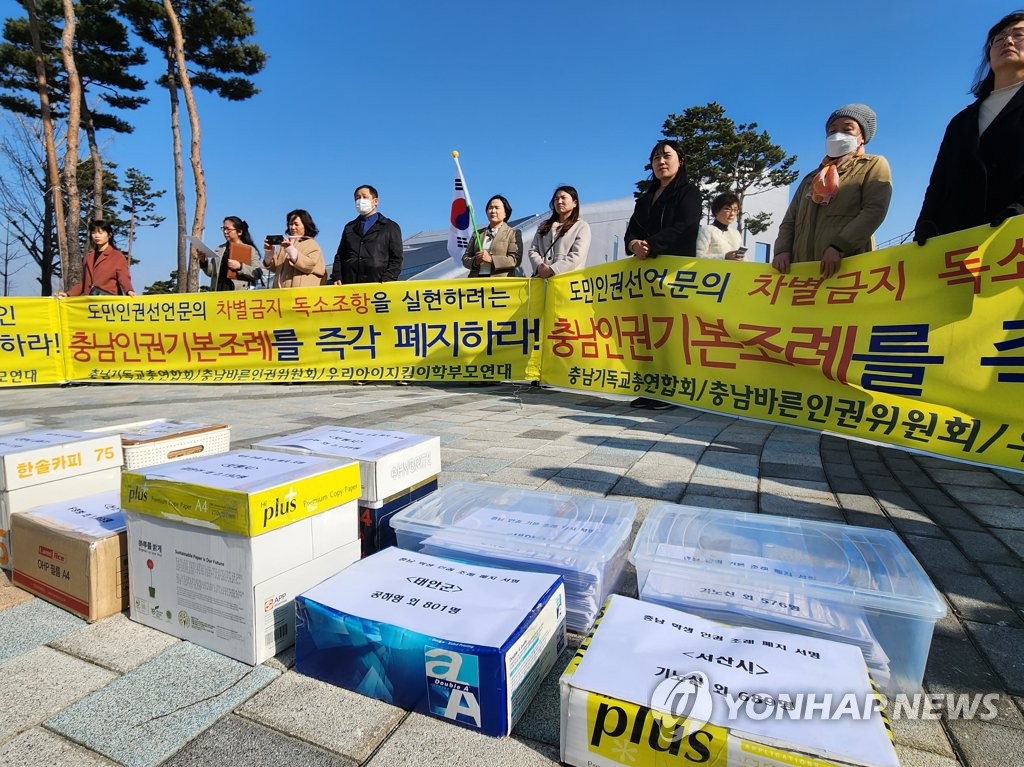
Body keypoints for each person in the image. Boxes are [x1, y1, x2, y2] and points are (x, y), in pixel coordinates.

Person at [915, 11, 1024, 244]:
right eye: (999, 38)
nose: (1008, 40)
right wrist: (926, 222)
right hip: (957, 244)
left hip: (1014, 241)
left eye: (1019, 34)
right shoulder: (961, 121)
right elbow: (939, 182)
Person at [772, 104, 892, 278]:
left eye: (847, 129)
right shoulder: (811, 179)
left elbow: (874, 210)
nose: (838, 134)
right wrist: (782, 250)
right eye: (832, 130)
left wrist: (839, 246)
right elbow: (789, 221)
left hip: (847, 267)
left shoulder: (873, 165)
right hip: (802, 272)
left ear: (862, 138)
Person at [624, 139, 701, 410]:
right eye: (656, 157)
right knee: (650, 332)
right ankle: (650, 388)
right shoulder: (645, 198)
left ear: (680, 160)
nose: (661, 162)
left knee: (672, 332)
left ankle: (673, 391)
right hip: (646, 277)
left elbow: (686, 225)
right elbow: (631, 228)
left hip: (675, 273)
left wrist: (652, 245)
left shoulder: (689, 192)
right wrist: (634, 243)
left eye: (667, 156)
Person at [330, 185, 403, 284]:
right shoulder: (349, 227)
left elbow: (396, 257)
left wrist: (389, 277)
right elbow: (340, 256)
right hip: (351, 283)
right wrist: (337, 275)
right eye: (357, 197)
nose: (360, 200)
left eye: (365, 197)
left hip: (378, 283)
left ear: (375, 201)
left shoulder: (389, 227)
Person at [55, 220, 135, 297]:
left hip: (109, 303)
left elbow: (123, 277)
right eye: (94, 233)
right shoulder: (88, 257)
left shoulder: (117, 256)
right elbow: (84, 282)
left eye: (100, 233)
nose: (97, 236)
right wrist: (68, 294)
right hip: (90, 303)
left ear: (109, 235)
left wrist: (129, 290)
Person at [527, 185, 591, 278]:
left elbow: (578, 255)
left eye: (563, 198)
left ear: (574, 203)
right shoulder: (544, 226)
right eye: (556, 199)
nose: (559, 201)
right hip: (542, 281)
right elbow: (533, 250)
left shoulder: (581, 226)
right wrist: (540, 266)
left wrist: (552, 270)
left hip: (568, 281)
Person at [262, 209, 326, 289]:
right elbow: (274, 268)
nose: (293, 227)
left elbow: (309, 266)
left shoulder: (312, 244)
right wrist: (269, 253)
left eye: (296, 224)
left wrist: (291, 251)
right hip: (281, 295)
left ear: (305, 225)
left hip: (302, 296)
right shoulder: (283, 245)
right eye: (290, 224)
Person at [462, 195, 523, 277]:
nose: (493, 211)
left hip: (499, 284)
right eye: (490, 208)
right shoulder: (477, 234)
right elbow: (465, 258)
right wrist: (475, 261)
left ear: (505, 213)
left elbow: (515, 259)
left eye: (497, 208)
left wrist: (491, 259)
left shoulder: (513, 233)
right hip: (477, 282)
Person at [200, 216, 260, 291]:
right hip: (217, 295)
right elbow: (211, 272)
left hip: (237, 296)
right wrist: (204, 261)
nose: (225, 232)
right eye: (224, 228)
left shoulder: (250, 250)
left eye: (228, 229)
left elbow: (258, 273)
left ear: (239, 232)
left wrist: (240, 267)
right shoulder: (220, 249)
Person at [696, 192, 746, 260]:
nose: (732, 213)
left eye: (735, 210)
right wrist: (724, 257)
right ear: (717, 211)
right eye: (728, 209)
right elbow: (698, 256)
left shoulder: (736, 234)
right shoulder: (706, 230)